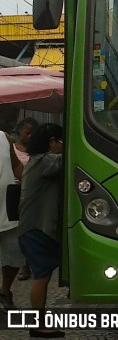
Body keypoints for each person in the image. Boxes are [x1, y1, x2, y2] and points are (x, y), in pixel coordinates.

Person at [18, 123, 65, 338]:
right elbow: (71, 159)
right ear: (51, 142)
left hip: (33, 228)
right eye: (60, 142)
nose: (62, 146)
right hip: (36, 228)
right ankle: (38, 324)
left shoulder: (37, 161)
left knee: (42, 276)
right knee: (42, 277)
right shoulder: (44, 161)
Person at [0, 128, 25, 312]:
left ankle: (5, 291)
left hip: (6, 210)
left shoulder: (4, 137)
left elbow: (16, 166)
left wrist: (30, 181)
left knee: (15, 255)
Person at [13, 117, 39, 281]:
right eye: (27, 132)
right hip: (15, 193)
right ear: (19, 132)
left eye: (33, 133)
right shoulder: (12, 149)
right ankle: (24, 264)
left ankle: (31, 262)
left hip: (34, 194)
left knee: (32, 229)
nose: (30, 136)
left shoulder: (39, 151)